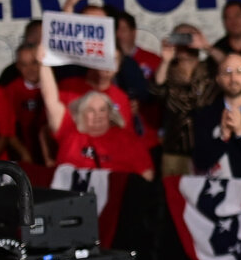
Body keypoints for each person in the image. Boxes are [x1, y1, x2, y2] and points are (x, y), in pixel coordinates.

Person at [35, 46, 154, 179]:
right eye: (91, 110)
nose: (98, 115)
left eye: (102, 110)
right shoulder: (69, 130)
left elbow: (146, 175)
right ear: (81, 113)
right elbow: (50, 100)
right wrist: (43, 63)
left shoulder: (127, 139)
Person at [150, 24, 216, 177]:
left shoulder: (211, 69)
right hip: (174, 151)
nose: (186, 43)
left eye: (190, 37)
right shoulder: (167, 71)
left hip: (209, 149)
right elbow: (155, 91)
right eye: (180, 37)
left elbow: (233, 67)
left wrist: (207, 46)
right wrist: (166, 60)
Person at [208, 0, 241, 66]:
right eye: (228, 18)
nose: (234, 22)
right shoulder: (218, 48)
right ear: (224, 22)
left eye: (237, 16)